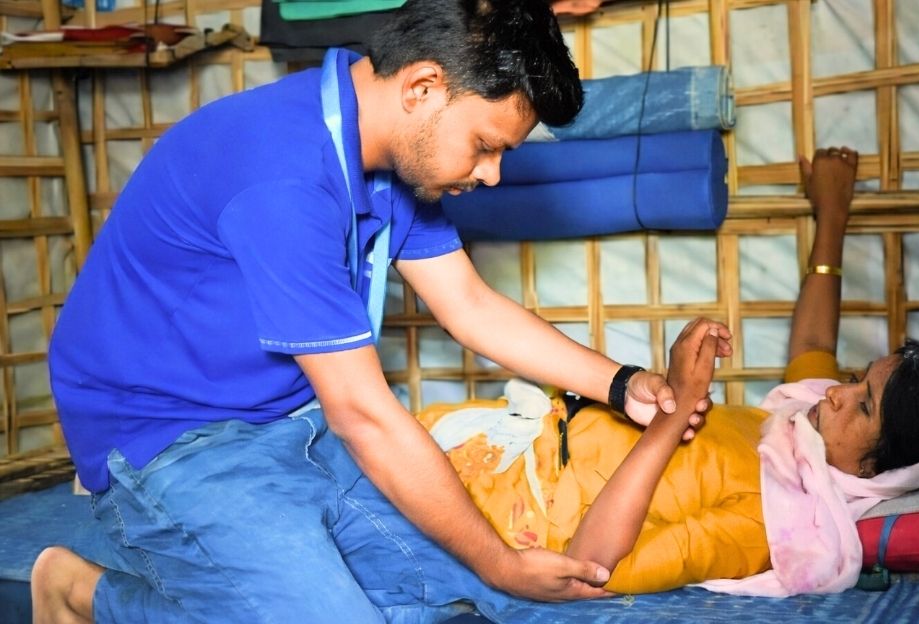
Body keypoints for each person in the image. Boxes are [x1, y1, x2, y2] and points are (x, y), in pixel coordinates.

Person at [31, 1, 731, 622]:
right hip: (170, 437)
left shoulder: (389, 160)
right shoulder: (282, 174)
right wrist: (493, 558)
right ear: (424, 86)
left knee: (476, 598)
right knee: (438, 587)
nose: (490, 174)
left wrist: (620, 382)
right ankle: (82, 593)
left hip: (289, 419)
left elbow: (470, 306)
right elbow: (363, 415)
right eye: (486, 146)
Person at [407, 145, 919, 598]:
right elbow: (814, 338)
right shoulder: (797, 426)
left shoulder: (775, 520)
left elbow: (593, 569)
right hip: (491, 445)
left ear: (881, 468)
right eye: (857, 377)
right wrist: (832, 215)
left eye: (863, 405)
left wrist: (673, 416)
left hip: (505, 511)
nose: (837, 393)